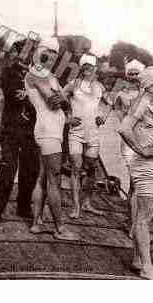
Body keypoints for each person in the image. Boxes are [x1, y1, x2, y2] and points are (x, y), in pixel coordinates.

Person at [118, 64, 153, 280]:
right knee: (143, 218)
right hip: (145, 166)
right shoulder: (143, 101)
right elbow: (124, 128)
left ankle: (139, 260)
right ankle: (146, 267)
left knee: (141, 214)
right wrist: (142, 150)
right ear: (149, 84)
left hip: (152, 167)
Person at [24, 56, 77, 240]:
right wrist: (62, 96)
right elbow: (54, 101)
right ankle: (60, 228)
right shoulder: (35, 75)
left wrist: (62, 99)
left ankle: (37, 223)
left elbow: (63, 101)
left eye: (53, 56)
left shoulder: (50, 76)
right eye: (45, 56)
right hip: (49, 132)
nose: (49, 60)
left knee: (42, 177)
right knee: (54, 180)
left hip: (51, 130)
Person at [0, 40, 39, 222]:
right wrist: (34, 95)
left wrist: (31, 95)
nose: (26, 55)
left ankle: (23, 206)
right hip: (11, 128)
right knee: (8, 168)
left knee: (31, 169)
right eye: (23, 51)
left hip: (32, 129)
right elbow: (14, 96)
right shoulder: (9, 72)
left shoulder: (38, 74)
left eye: (30, 51)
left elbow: (45, 100)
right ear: (16, 53)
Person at [61, 54, 106, 219]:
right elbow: (57, 98)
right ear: (81, 67)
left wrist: (103, 116)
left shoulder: (99, 86)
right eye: (85, 66)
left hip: (93, 133)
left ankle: (87, 202)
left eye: (91, 66)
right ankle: (76, 206)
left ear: (95, 68)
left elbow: (109, 104)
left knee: (91, 168)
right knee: (76, 166)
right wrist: (67, 118)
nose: (88, 69)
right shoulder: (73, 84)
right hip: (76, 132)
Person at [113, 59, 145, 237]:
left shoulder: (149, 94)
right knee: (135, 182)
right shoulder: (121, 95)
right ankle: (133, 225)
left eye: (136, 73)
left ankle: (135, 221)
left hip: (146, 141)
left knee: (141, 184)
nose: (133, 77)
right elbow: (120, 116)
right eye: (130, 74)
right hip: (129, 142)